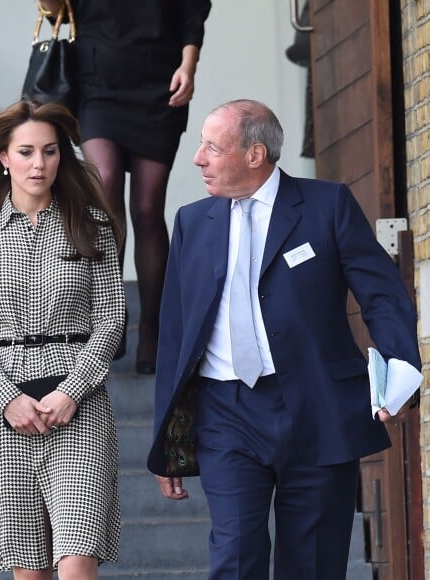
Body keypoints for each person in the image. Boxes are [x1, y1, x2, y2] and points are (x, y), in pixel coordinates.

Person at [147, 99, 422, 579]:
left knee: (312, 563)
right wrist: (166, 436)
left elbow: (381, 294)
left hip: (316, 406)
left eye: (212, 147)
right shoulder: (193, 222)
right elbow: (175, 332)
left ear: (255, 154)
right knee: (234, 556)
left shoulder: (326, 204)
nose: (198, 158)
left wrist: (401, 369)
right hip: (225, 411)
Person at [0, 100, 126, 579]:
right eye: (26, 152)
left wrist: (72, 391)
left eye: (50, 151)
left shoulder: (91, 224)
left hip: (79, 405)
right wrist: (6, 399)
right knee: (28, 567)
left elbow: (111, 316)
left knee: (78, 554)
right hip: (8, 407)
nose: (39, 164)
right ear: (3, 157)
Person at [35, 0, 211, 373]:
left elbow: (193, 10)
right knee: (105, 185)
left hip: (161, 83)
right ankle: (109, 316)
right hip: (97, 83)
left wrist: (189, 65)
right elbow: (56, 10)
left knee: (147, 208)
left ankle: (152, 328)